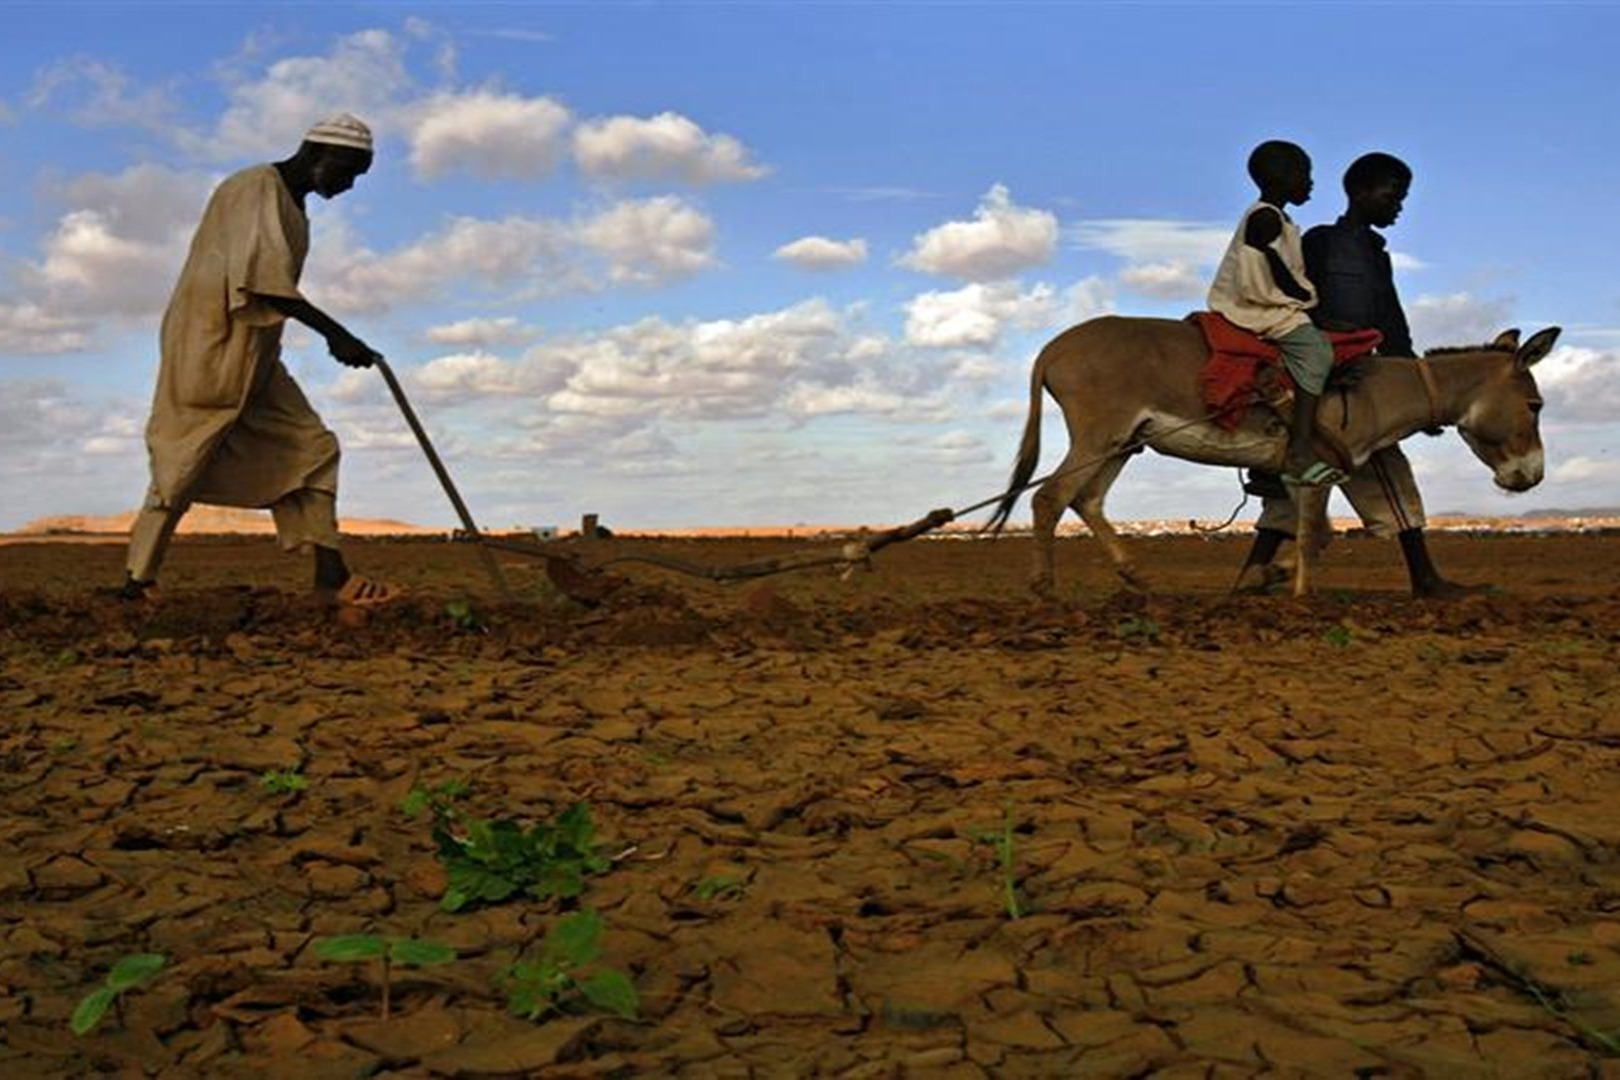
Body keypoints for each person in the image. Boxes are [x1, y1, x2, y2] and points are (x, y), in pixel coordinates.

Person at [119, 113, 397, 607]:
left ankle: (331, 576)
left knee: (312, 447)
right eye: (347, 171)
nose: (349, 185)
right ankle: (136, 581)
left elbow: (268, 288)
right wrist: (339, 336)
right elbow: (262, 280)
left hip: (257, 354)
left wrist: (341, 337)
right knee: (183, 458)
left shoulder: (294, 208)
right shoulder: (255, 187)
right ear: (315, 154)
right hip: (209, 348)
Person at [1236, 151, 1485, 599]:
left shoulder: (1376, 255)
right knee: (1374, 469)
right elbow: (1291, 298)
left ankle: (1253, 574)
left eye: (1402, 199)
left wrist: (1418, 390)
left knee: (1308, 475)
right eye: (1392, 196)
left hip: (1366, 376)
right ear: (1358, 192)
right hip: (1332, 376)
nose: (1398, 207)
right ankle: (1424, 578)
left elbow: (1392, 323)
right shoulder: (1319, 241)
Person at [1207, 140, 1347, 490]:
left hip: (1272, 300)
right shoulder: (1266, 219)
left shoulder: (1277, 217)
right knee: (1317, 352)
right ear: (1283, 177)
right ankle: (1300, 450)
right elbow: (1260, 275)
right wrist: (1300, 296)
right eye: (1306, 175)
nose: (1311, 183)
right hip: (1257, 307)